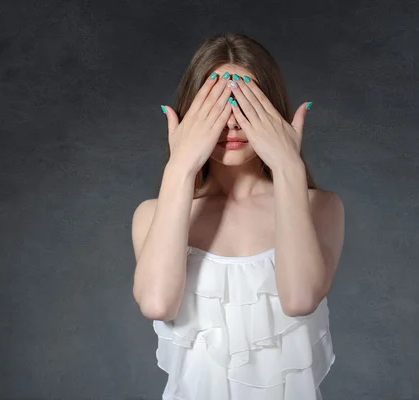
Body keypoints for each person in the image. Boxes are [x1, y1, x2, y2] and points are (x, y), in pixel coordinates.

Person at [131, 32, 345, 400]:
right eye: (216, 105)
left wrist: (288, 167)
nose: (231, 123)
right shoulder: (152, 214)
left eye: (245, 104)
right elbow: (157, 303)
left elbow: (299, 299)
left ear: (271, 110)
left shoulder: (321, 207)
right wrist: (180, 166)